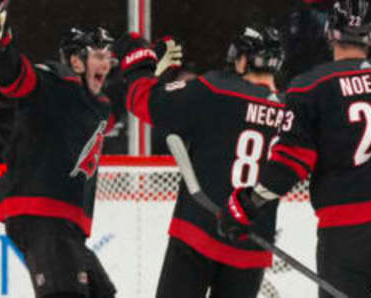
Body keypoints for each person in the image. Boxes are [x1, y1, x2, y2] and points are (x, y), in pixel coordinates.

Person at [223, 1, 371, 297]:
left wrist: (248, 202)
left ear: (330, 32)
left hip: (347, 227)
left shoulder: (311, 86)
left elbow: (292, 161)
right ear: (370, 37)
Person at [113, 25, 286, 298]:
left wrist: (141, 61)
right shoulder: (292, 111)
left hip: (200, 230)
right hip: (252, 244)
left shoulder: (215, 89)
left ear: (242, 60)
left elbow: (143, 101)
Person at [0, 5, 117, 298]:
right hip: (41, 214)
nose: (107, 64)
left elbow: (126, 96)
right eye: (100, 56)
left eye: (109, 58)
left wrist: (147, 70)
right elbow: (14, 77)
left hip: (66, 224)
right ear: (77, 61)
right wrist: (2, 48)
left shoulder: (98, 103)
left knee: (101, 293)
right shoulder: (54, 81)